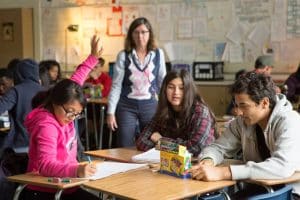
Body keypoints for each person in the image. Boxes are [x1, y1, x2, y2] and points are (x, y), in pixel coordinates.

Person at [189, 72, 300, 198]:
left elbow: (282, 166)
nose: (238, 112)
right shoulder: (242, 123)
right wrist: (208, 161)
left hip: (291, 192)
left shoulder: (290, 121)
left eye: (243, 106)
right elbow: (217, 148)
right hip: (261, 189)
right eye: (236, 105)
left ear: (264, 103)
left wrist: (225, 172)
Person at [20, 35, 102, 200]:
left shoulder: (64, 104)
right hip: (44, 190)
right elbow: (44, 165)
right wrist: (77, 170)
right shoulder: (46, 125)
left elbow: (75, 81)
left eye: (77, 114)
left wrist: (93, 58)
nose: (72, 118)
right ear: (56, 102)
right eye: (70, 112)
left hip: (65, 185)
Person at [107, 17, 166, 147]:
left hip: (150, 105)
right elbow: (116, 85)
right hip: (126, 106)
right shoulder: (123, 55)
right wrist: (110, 112)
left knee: (150, 144)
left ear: (150, 34)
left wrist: (165, 107)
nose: (140, 36)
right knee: (124, 144)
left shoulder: (158, 54)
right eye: (136, 32)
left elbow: (163, 81)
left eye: (144, 32)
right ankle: (123, 167)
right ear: (131, 35)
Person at [136, 69, 216, 156]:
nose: (176, 92)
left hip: (200, 164)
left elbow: (195, 147)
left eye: (181, 88)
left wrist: (161, 141)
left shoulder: (200, 111)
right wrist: (171, 147)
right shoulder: (164, 110)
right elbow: (141, 142)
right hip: (173, 162)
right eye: (171, 87)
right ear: (165, 90)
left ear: (189, 90)